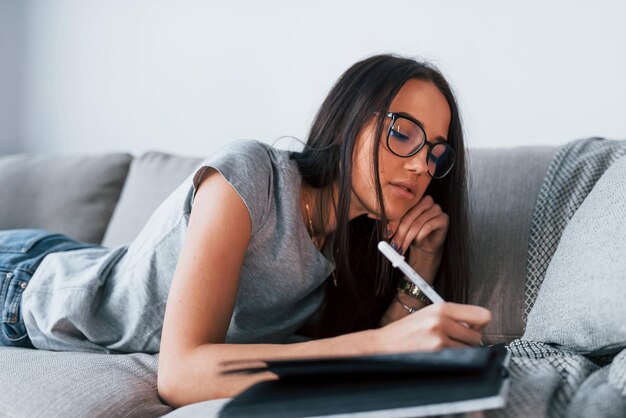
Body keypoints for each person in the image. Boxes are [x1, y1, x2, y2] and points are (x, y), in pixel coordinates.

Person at [0, 54, 492, 406]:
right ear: (346, 124)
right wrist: (388, 345)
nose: (420, 166)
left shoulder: (359, 244)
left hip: (87, 258)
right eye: (402, 132)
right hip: (26, 283)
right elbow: (179, 375)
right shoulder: (253, 174)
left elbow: (368, 354)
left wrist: (421, 262)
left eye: (435, 152)